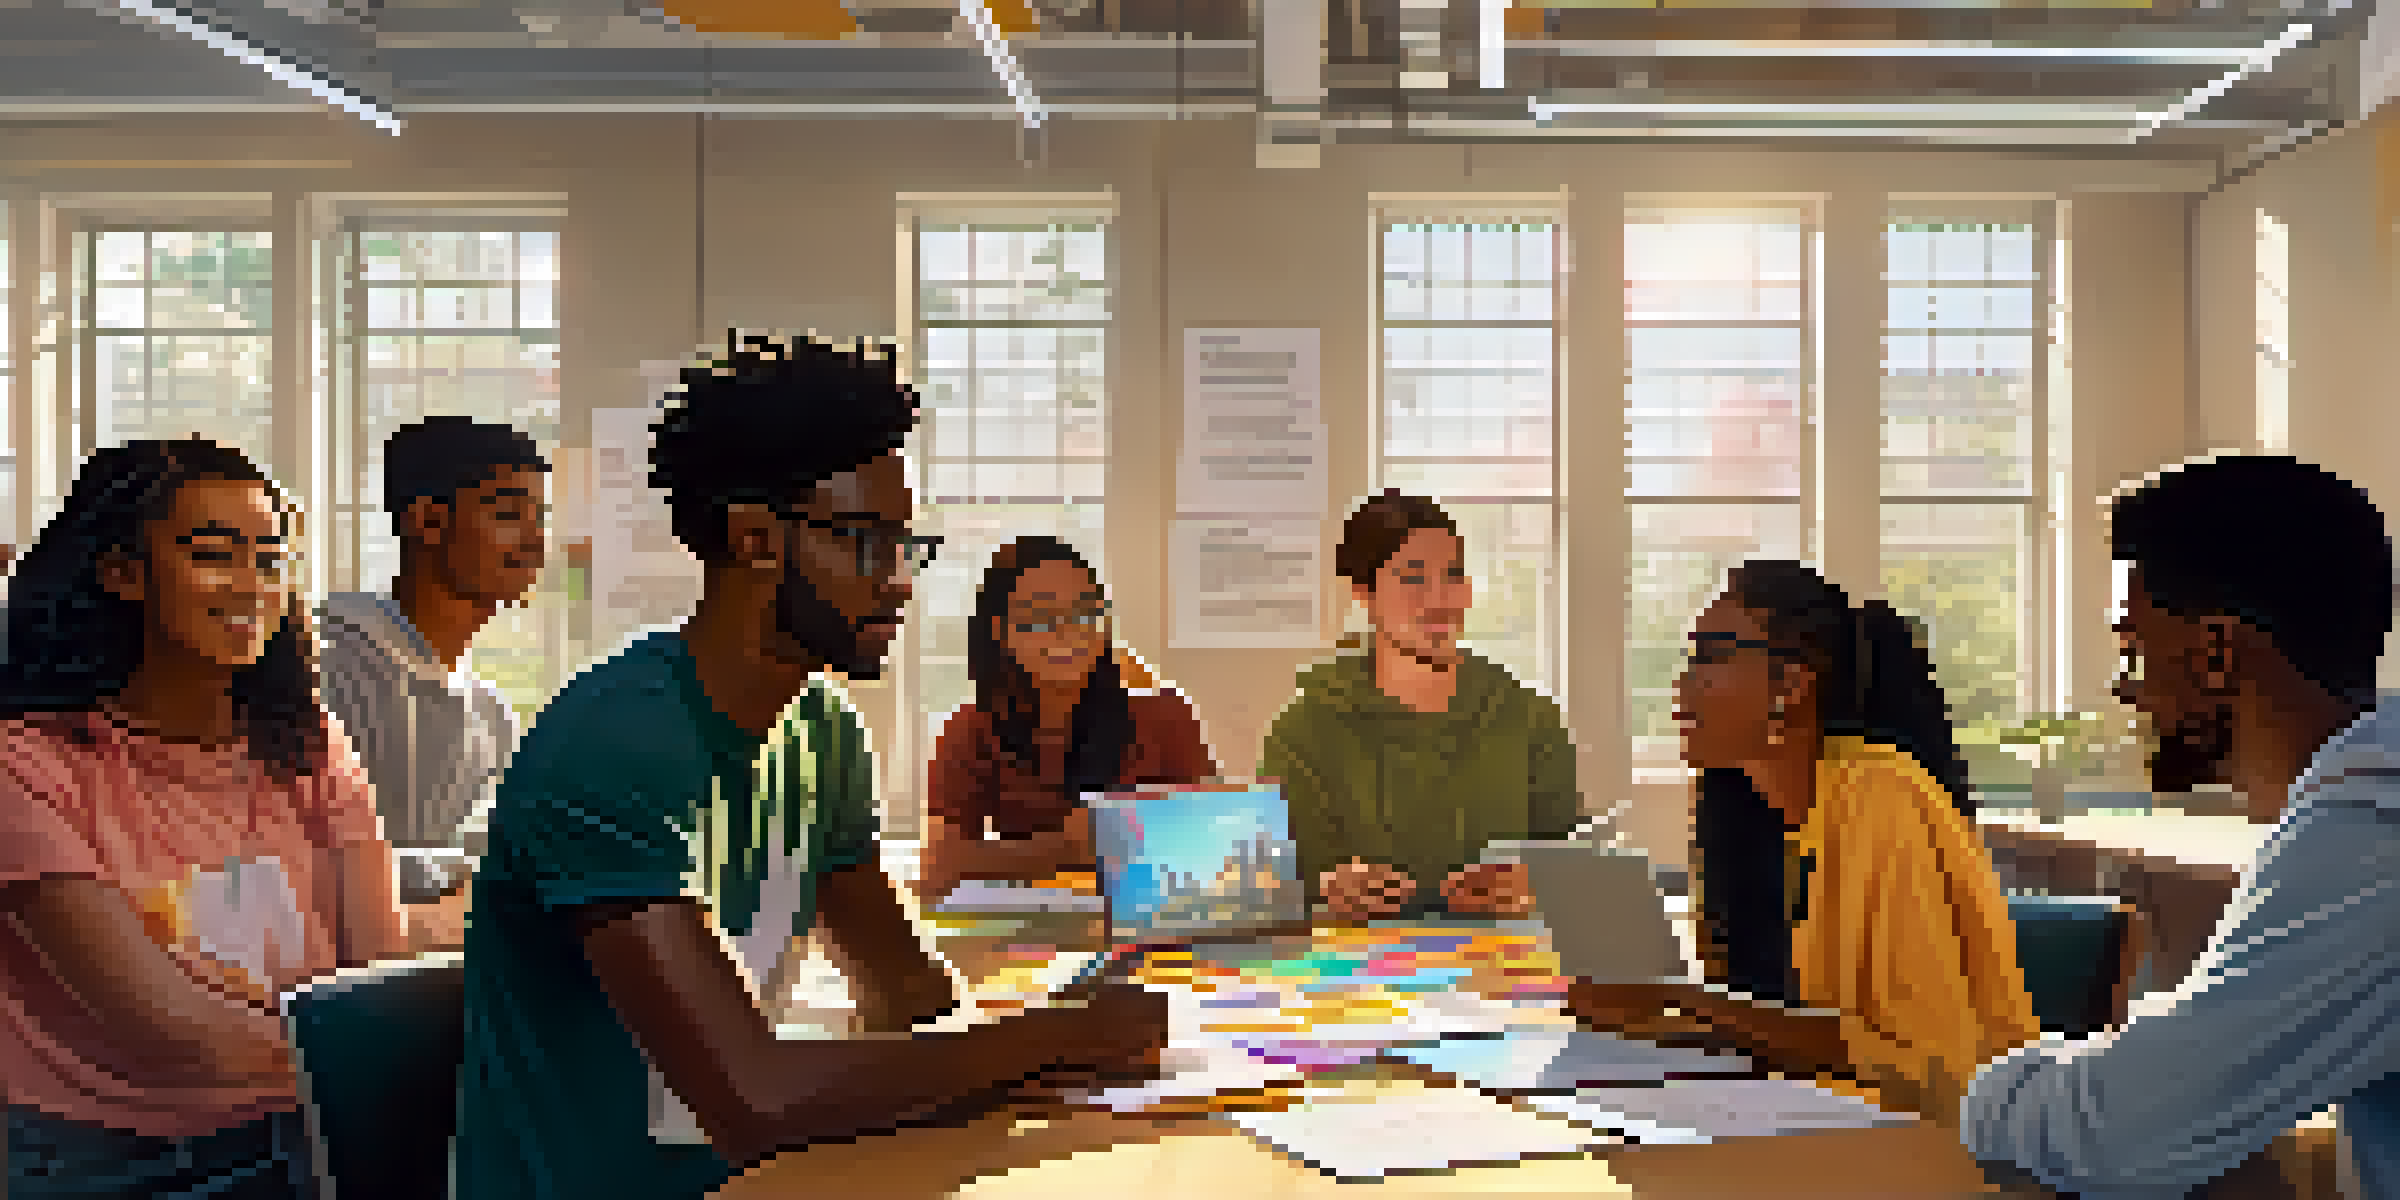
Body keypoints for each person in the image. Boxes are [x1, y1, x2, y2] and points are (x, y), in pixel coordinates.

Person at [453, 334, 1169, 1200]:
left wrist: (1059, 1007)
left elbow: (904, 994)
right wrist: (1058, 1038)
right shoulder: (616, 741)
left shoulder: (822, 731)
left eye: (909, 547)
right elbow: (758, 1100)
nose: (902, 582)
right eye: (870, 544)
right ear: (756, 539)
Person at [0, 437, 436, 1199]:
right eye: (214, 554)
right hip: (115, 1162)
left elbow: (376, 970)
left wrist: (367, 1034)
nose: (251, 585)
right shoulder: (27, 762)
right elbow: (173, 1032)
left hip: (311, 1127)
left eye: (269, 560)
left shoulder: (308, 744)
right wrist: (364, 1038)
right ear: (122, 574)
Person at [1961, 454, 2400, 1198]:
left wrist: (1989, 1089)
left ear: (2217, 653)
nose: (2124, 689)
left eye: (2132, 647)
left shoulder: (2369, 832)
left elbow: (2119, 1133)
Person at [1569, 559, 2038, 1123]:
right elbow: (1760, 1025)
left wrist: (1683, 1001)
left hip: (1936, 1141)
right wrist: (1647, 1017)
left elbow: (1922, 1063)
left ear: (1790, 684)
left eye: (1710, 658)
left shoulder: (1879, 790)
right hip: (1799, 1118)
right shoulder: (1732, 803)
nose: (1682, 684)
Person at [1260, 491, 1584, 923]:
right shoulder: (1301, 733)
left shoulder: (1530, 719)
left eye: (1453, 576)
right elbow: (1276, 890)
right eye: (1412, 578)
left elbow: (1575, 863)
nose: (1440, 599)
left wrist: (1536, 886)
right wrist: (1324, 891)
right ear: (1364, 592)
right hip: (1352, 976)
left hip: (1506, 968)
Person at [317, 416, 548, 946]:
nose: (534, 542)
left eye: (540, 517)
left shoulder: (490, 711)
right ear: (426, 521)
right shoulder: (327, 669)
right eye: (509, 514)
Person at [918, 536, 1217, 903]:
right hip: (1032, 938)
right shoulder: (972, 730)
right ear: (1000, 631)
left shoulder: (1165, 717)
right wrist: (1063, 848)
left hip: (1153, 932)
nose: (1067, 631)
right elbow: (938, 871)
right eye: (1042, 616)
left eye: (1082, 613)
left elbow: (1218, 844)